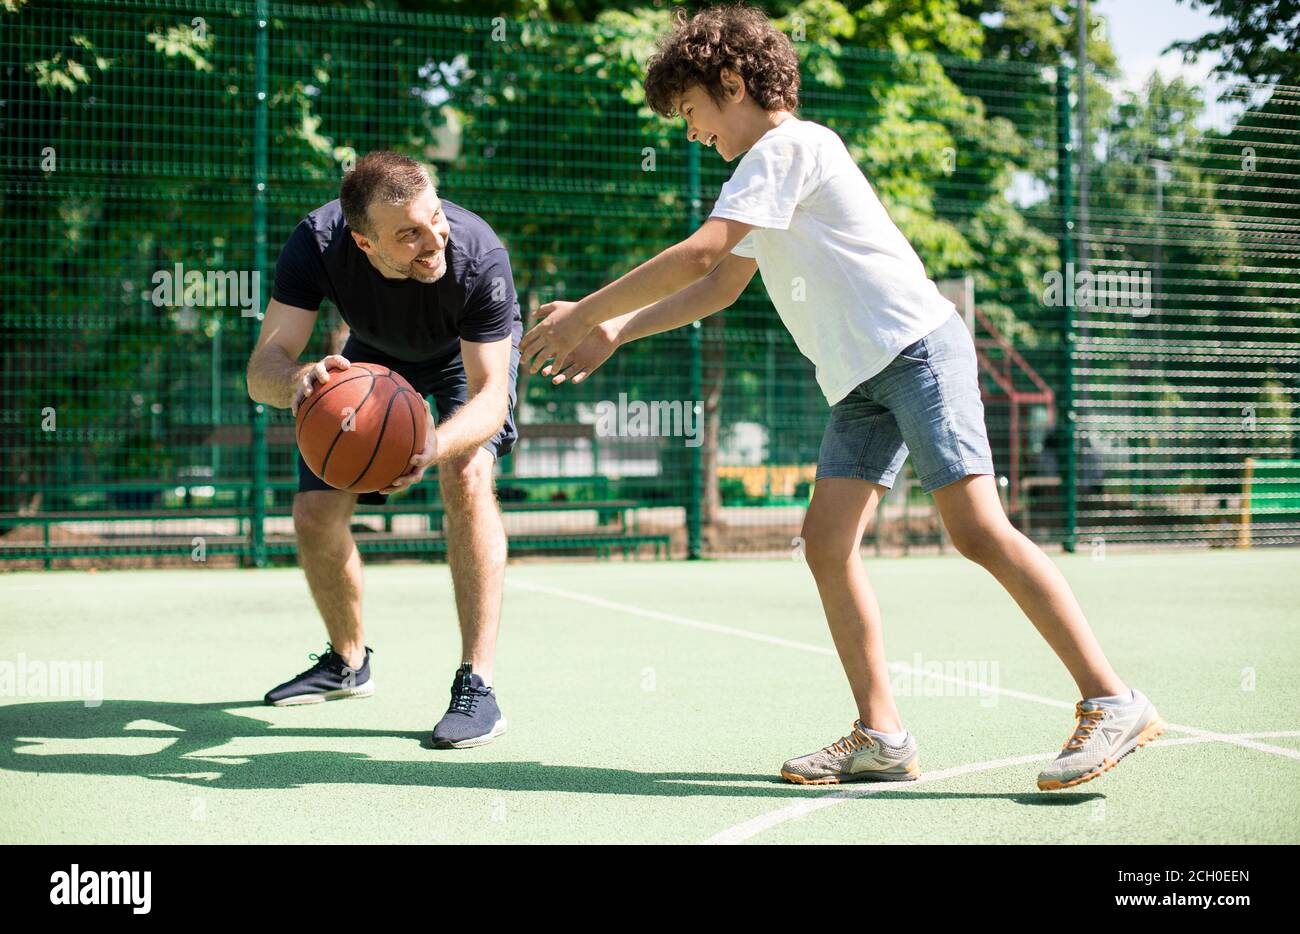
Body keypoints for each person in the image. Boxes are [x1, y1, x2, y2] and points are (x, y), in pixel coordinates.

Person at [519, 5, 1165, 789]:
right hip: (861, 379)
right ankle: (882, 736)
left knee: (976, 529)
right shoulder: (760, 171)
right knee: (826, 543)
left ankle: (1111, 697)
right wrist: (616, 332)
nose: (690, 131)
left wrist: (588, 311)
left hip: (918, 348)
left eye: (691, 111)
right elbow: (723, 284)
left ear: (732, 83)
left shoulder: (790, 146)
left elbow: (700, 254)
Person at [246, 151, 519, 748]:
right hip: (371, 358)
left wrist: (432, 446)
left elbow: (491, 396)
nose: (433, 240)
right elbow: (261, 368)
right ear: (364, 244)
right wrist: (298, 381)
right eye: (409, 235)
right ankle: (347, 664)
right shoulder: (316, 245)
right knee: (314, 511)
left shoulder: (478, 256)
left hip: (460, 359)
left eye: (434, 219)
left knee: (467, 476)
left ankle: (478, 687)